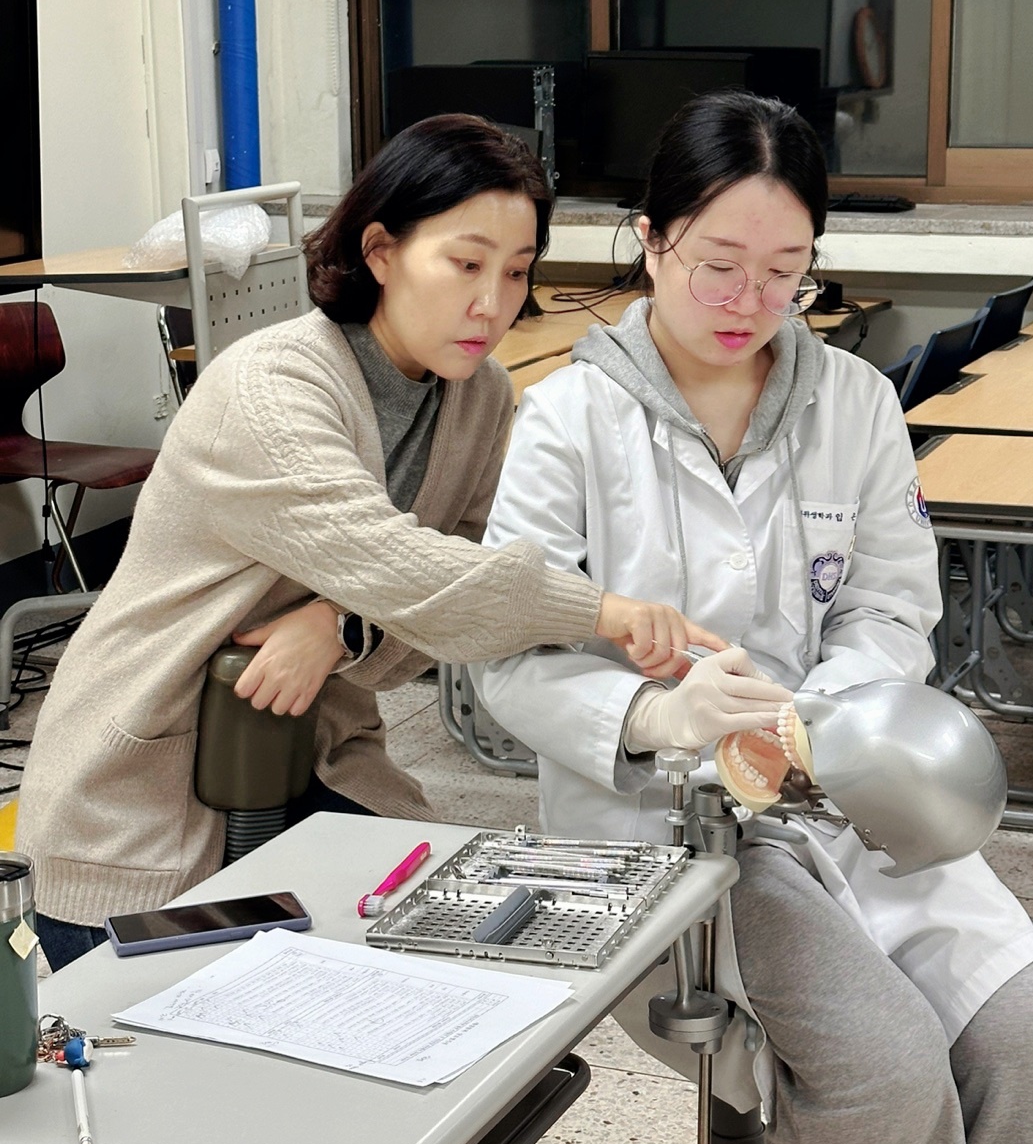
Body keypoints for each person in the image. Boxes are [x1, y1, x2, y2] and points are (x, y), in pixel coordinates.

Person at [469, 92, 1033, 1144]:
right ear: (651, 240)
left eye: (784, 271)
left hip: (841, 791)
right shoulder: (569, 419)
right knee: (882, 1071)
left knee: (1031, 1031)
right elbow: (509, 657)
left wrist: (810, 721)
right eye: (718, 266)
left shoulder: (853, 401)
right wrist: (658, 716)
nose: (750, 302)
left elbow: (891, 608)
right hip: (666, 822)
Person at [16, 114, 719, 973]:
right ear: (381, 251)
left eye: (516, 270)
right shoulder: (272, 386)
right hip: (140, 808)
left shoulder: (478, 397)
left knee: (439, 958)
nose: (493, 303)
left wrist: (336, 627)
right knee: (193, 1026)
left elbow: (450, 595)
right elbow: (406, 569)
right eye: (465, 264)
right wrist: (603, 611)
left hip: (316, 761)